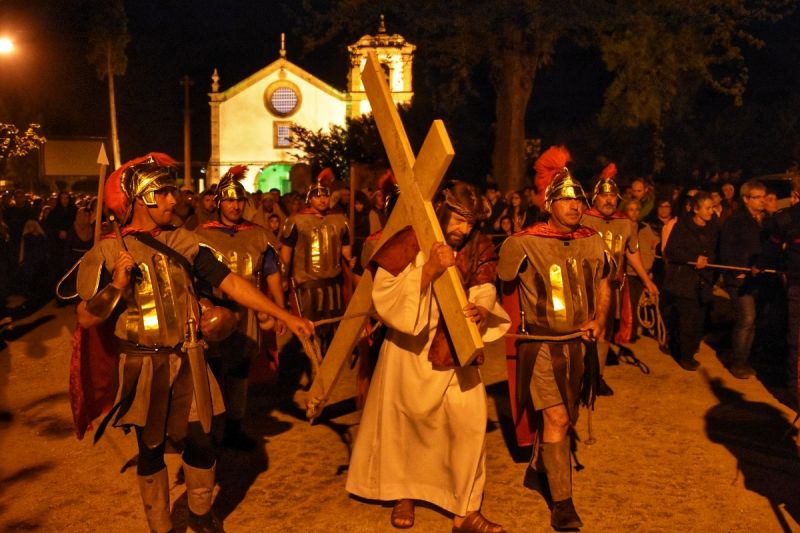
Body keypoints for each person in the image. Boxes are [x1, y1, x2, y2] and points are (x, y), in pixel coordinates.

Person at [74, 153, 313, 533]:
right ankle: (161, 525)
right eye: (164, 194)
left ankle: (201, 515)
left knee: (202, 442)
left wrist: (285, 315)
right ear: (141, 200)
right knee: (151, 450)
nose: (174, 201)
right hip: (143, 364)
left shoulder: (184, 241)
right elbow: (86, 317)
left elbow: (230, 282)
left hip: (189, 359)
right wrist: (117, 285)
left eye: (172, 193)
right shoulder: (107, 251)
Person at [346, 181, 509, 533]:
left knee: (470, 422)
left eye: (469, 222)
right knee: (405, 423)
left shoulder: (477, 246)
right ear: (443, 211)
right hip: (410, 348)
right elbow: (384, 292)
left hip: (456, 347)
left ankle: (465, 511)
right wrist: (428, 271)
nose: (462, 229)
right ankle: (402, 493)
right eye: (458, 219)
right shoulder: (409, 239)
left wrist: (481, 307)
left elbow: (485, 284)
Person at [497, 146, 612, 531]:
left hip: (579, 346)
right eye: (564, 199)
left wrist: (599, 318)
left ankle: (538, 470)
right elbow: (502, 288)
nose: (574, 205)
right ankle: (563, 504)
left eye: (577, 199)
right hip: (541, 344)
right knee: (558, 418)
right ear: (549, 203)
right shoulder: (522, 242)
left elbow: (605, 282)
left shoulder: (594, 239)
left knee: (568, 416)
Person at [195, 165, 286, 450]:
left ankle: (234, 428)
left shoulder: (259, 235)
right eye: (229, 200)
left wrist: (278, 309)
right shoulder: (201, 235)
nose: (235, 206)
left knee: (239, 371)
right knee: (210, 373)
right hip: (213, 312)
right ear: (219, 203)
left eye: (239, 200)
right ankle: (207, 431)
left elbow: (272, 273)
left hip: (246, 314)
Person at [580, 163, 658, 395]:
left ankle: (598, 377)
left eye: (612, 195)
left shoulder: (625, 223)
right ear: (595, 197)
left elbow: (630, 252)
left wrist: (647, 280)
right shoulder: (582, 219)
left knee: (604, 332)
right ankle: (578, 375)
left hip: (611, 285)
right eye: (604, 195)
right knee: (580, 330)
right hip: (582, 285)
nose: (608, 200)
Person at [280, 169, 355, 352]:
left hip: (333, 283)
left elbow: (346, 252)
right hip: (307, 283)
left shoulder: (340, 220)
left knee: (332, 326)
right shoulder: (296, 221)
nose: (322, 200)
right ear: (309, 199)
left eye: (325, 196)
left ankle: (328, 362)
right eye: (317, 196)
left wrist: (350, 265)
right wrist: (283, 278)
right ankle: (311, 363)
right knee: (308, 327)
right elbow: (286, 253)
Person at [662, 192, 720, 371]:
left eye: (713, 207)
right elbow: (671, 250)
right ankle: (685, 355)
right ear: (696, 209)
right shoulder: (682, 226)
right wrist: (693, 259)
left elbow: (716, 249)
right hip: (685, 280)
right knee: (687, 319)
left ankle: (690, 348)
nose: (712, 211)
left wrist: (710, 262)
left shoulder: (713, 227)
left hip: (704, 281)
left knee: (699, 319)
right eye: (708, 208)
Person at [719, 179, 766, 379]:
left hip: (756, 277)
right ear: (746, 199)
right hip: (740, 277)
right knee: (746, 318)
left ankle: (744, 358)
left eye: (763, 197)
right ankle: (737, 362)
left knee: (751, 320)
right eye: (757, 197)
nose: (762, 201)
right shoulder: (736, 220)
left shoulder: (761, 219)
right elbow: (726, 248)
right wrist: (735, 270)